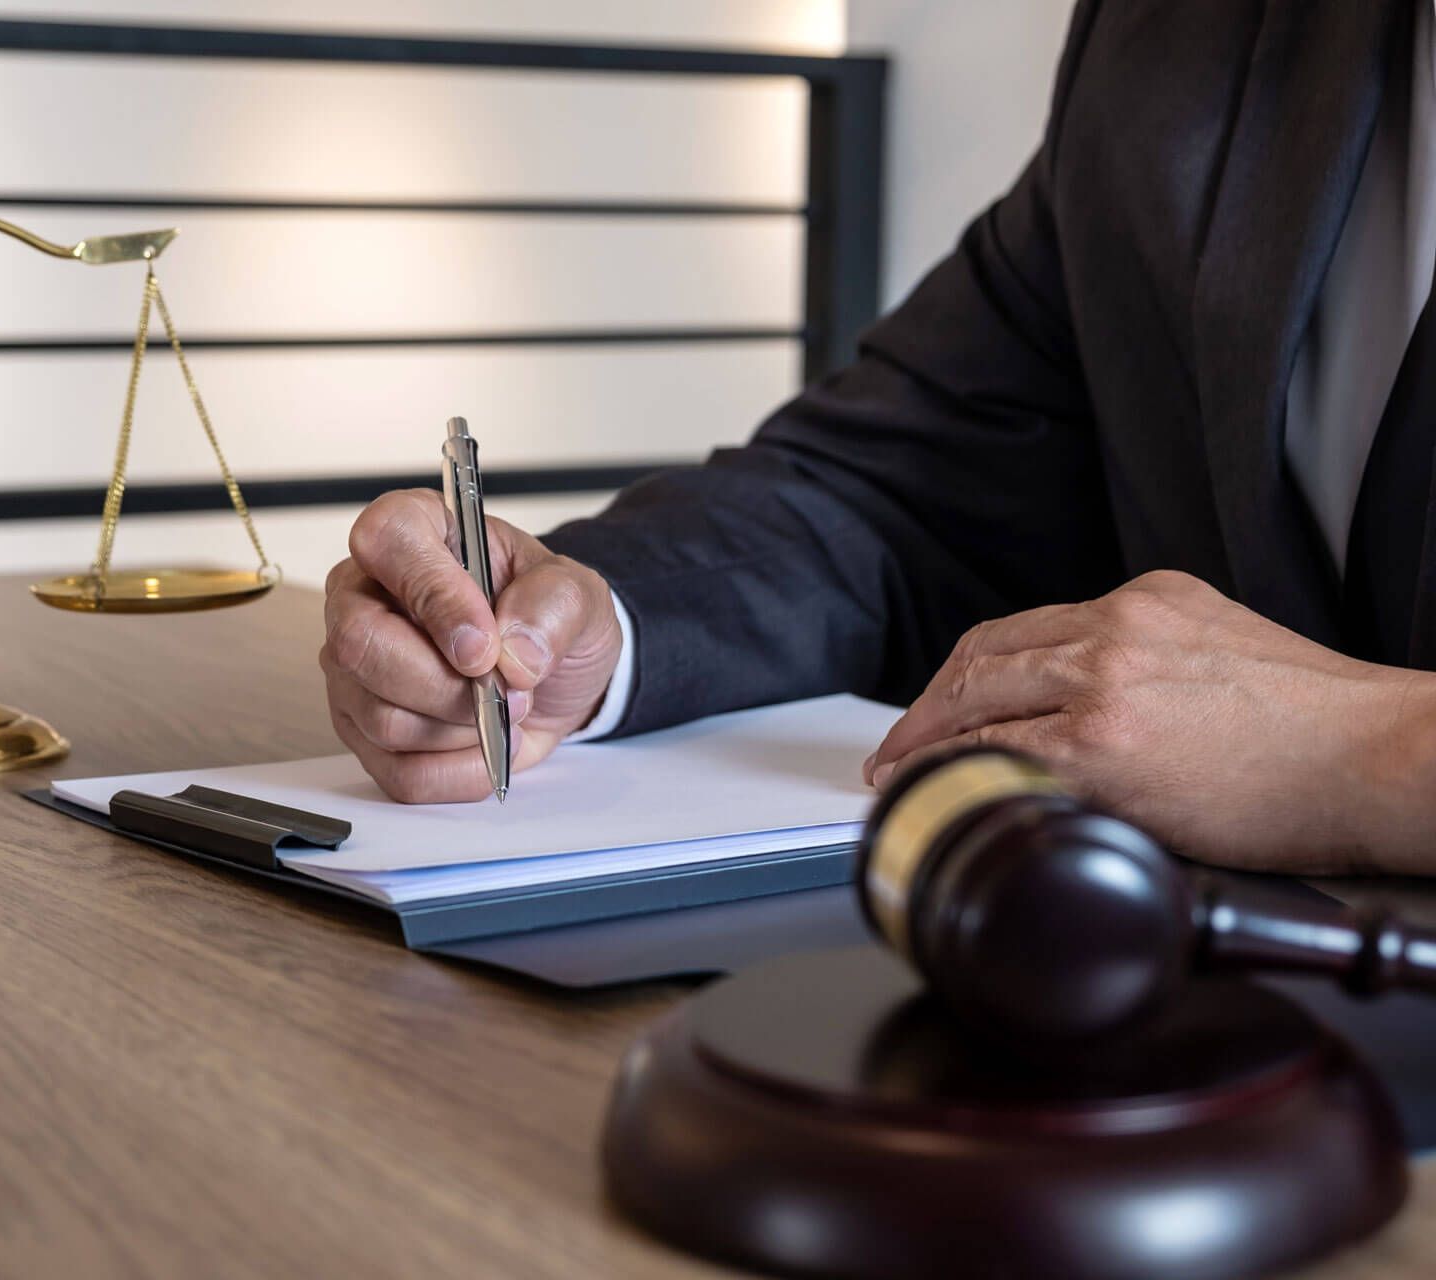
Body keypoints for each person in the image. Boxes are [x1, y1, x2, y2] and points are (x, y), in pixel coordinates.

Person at [322, 0, 1436, 876]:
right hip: (1182, 1026)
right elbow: (895, 489)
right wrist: (584, 623)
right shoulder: (1179, 37)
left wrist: (1366, 754)